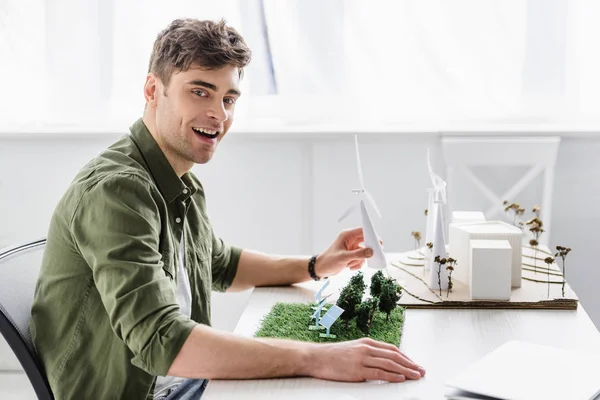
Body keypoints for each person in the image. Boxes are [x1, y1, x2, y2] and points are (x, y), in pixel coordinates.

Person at [30, 18, 426, 400]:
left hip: (176, 382)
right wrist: (317, 358)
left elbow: (219, 264)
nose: (219, 114)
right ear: (153, 90)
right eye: (199, 92)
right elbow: (161, 340)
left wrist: (315, 264)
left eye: (228, 98)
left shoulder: (178, 179)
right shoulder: (119, 190)